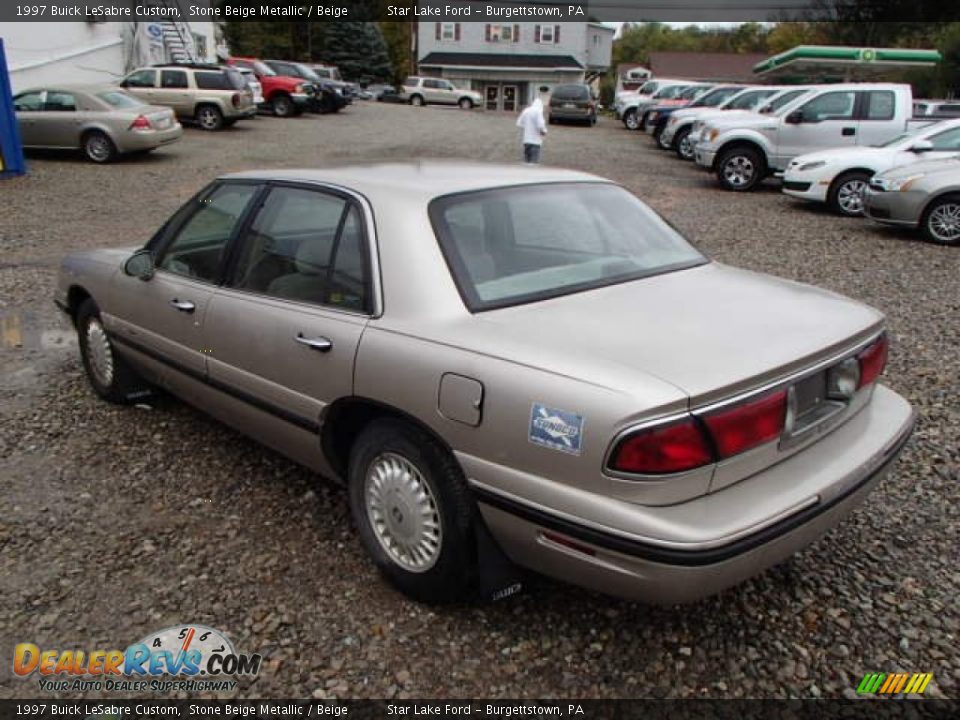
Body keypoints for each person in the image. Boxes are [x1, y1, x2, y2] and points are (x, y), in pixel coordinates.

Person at [516, 88, 548, 164]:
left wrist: (527, 126)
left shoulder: (526, 110)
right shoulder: (538, 112)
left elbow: (519, 123)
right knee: (533, 164)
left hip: (526, 140)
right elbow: (541, 125)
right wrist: (544, 131)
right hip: (535, 142)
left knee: (526, 162)